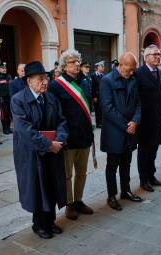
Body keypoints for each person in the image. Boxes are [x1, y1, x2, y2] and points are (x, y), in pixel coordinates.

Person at [11, 61, 68, 239]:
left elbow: (62, 121)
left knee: (51, 186)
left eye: (46, 78)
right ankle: (39, 224)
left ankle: (50, 221)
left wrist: (59, 139)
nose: (45, 82)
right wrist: (48, 144)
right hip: (32, 153)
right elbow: (25, 130)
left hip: (52, 151)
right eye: (40, 79)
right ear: (29, 81)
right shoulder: (18, 100)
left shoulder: (51, 98)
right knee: (37, 188)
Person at [49, 50, 94, 220]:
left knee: (82, 173)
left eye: (78, 61)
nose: (76, 64)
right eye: (72, 62)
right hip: (68, 139)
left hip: (84, 136)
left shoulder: (84, 81)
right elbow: (54, 114)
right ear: (64, 66)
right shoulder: (56, 86)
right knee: (67, 174)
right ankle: (69, 204)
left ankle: (78, 200)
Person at [100, 52, 142, 211]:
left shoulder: (132, 79)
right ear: (121, 65)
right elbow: (107, 108)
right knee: (112, 166)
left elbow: (139, 104)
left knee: (127, 163)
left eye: (133, 70)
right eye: (130, 69)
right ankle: (111, 196)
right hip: (115, 132)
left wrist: (135, 121)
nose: (132, 72)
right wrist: (126, 125)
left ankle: (126, 191)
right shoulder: (107, 80)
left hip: (130, 131)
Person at [135, 44, 161, 192]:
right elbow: (136, 98)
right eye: (154, 54)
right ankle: (143, 179)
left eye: (159, 54)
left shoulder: (159, 73)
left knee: (154, 149)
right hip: (144, 120)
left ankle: (151, 175)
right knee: (144, 151)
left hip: (157, 118)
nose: (157, 57)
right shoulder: (139, 73)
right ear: (146, 57)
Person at [0, 62, 13, 134]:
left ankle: (8, 128)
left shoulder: (9, 76)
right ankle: (5, 129)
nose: (4, 69)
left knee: (9, 114)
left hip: (9, 98)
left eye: (5, 68)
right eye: (2, 68)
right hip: (2, 99)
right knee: (3, 114)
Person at [91, 61, 105, 128]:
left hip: (102, 96)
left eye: (103, 66)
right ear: (97, 67)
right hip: (97, 96)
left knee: (102, 110)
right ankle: (98, 123)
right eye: (101, 66)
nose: (103, 67)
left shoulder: (103, 75)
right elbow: (92, 87)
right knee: (97, 110)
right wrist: (94, 96)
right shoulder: (93, 75)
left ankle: (101, 122)